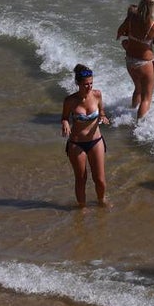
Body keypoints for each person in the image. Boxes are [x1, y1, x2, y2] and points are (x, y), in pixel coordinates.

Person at [61, 64, 110, 207]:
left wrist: (103, 117)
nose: (89, 87)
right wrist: (65, 123)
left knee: (99, 179)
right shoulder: (70, 101)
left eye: (91, 83)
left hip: (96, 141)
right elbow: (64, 117)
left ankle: (102, 201)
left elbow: (102, 112)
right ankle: (81, 207)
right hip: (77, 144)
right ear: (78, 84)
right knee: (81, 179)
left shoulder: (97, 95)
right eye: (85, 84)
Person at [116, 0, 154, 119]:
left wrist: (129, 37)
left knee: (138, 88)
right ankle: (139, 127)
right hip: (144, 63)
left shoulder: (131, 18)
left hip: (130, 60)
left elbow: (120, 31)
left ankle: (131, 111)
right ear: (153, 7)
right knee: (146, 99)